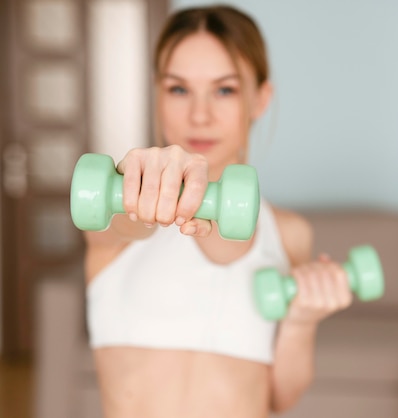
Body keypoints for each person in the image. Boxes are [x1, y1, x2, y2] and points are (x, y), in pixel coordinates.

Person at [84, 5, 353, 418]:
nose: (200, 115)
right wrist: (137, 182)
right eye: (178, 89)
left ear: (260, 99)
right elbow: (120, 225)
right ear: (157, 94)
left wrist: (301, 322)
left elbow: (280, 399)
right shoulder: (117, 210)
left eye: (224, 89)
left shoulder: (290, 232)